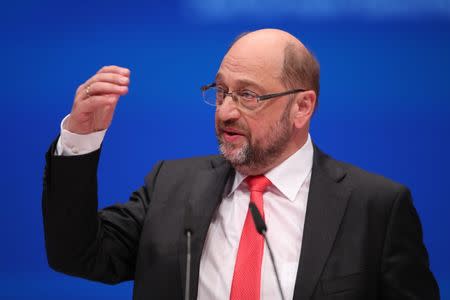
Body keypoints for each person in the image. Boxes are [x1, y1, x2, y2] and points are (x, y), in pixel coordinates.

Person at [42, 28, 440, 300]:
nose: (225, 112)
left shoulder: (376, 207)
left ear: (302, 106)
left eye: (248, 95)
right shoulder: (171, 186)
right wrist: (81, 136)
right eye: (221, 92)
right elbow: (76, 253)